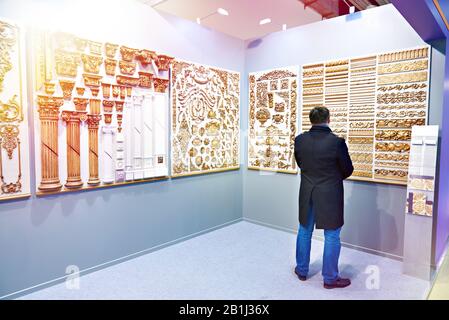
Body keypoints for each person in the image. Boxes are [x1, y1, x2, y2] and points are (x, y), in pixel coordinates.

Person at [293, 106, 354, 289]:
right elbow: (347, 169)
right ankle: (330, 278)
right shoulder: (336, 142)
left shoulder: (300, 140)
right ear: (328, 119)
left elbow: (301, 163)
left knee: (304, 230)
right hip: (330, 193)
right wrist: (332, 179)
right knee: (332, 235)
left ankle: (302, 270)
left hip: (307, 191)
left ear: (311, 120)